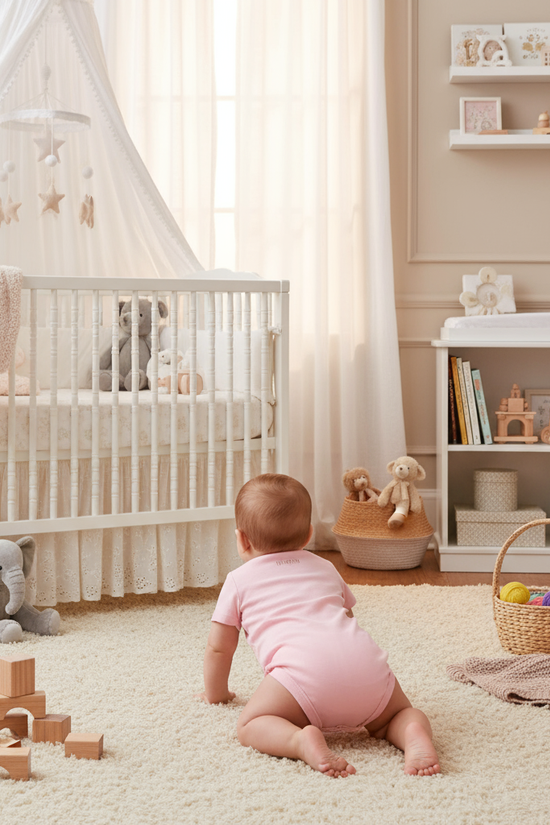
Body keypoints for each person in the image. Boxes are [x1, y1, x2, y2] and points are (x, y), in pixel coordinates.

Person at [197, 473, 440, 778]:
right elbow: (347, 619)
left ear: (242, 539)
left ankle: (300, 740)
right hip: (368, 670)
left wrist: (216, 694)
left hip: (303, 681)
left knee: (250, 725)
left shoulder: (238, 581)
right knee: (400, 714)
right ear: (309, 534)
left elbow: (219, 649)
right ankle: (413, 734)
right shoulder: (325, 567)